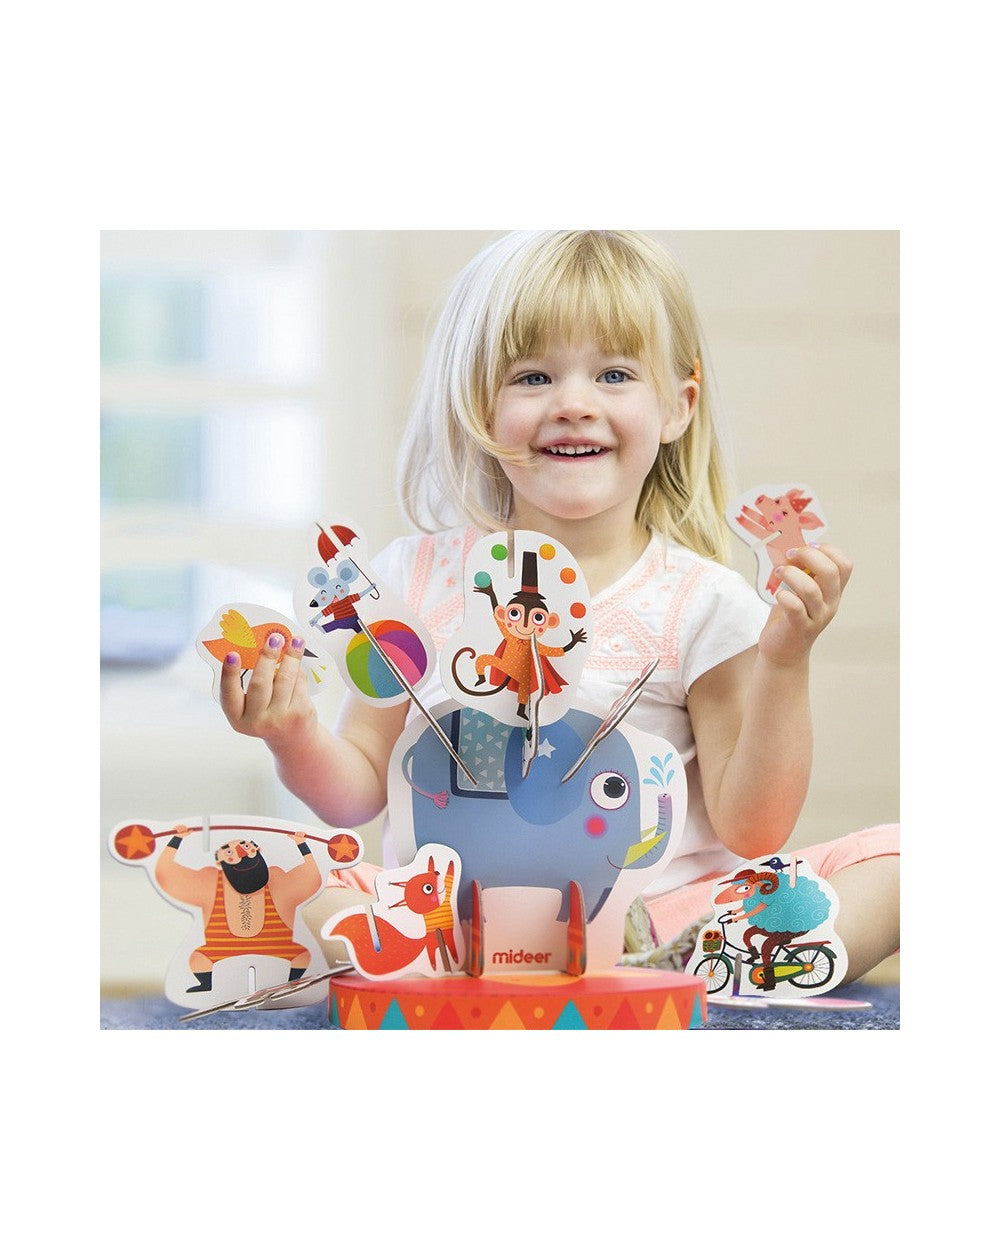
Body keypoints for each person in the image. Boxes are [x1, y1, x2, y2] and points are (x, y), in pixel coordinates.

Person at [218, 231, 899, 986]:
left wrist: (786, 662)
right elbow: (355, 793)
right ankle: (443, 960)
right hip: (443, 925)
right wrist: (292, 734)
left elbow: (755, 827)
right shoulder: (409, 580)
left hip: (649, 931)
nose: (574, 405)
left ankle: (676, 969)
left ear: (678, 406)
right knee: (263, 872)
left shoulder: (706, 604)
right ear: (478, 405)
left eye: (614, 374)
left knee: (905, 863)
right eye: (534, 377)